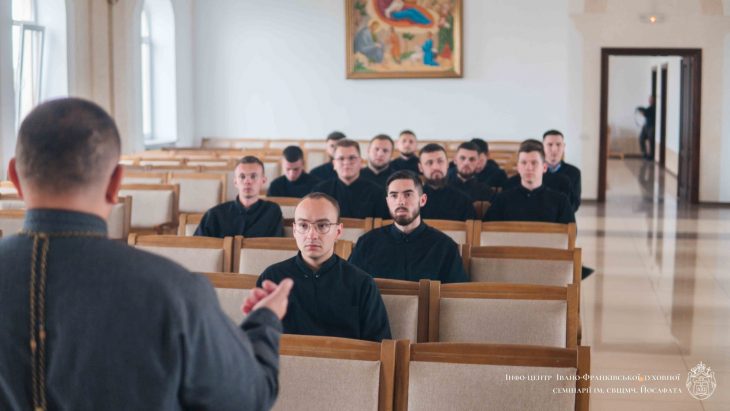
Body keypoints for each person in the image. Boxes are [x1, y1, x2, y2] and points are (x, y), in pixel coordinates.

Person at [0, 98, 293, 410]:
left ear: (14, 177)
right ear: (116, 183)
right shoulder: (175, 290)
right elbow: (247, 397)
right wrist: (264, 321)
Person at [258, 193, 391, 342]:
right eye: (303, 226)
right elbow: (256, 340)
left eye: (322, 226)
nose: (312, 235)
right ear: (294, 230)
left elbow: (378, 347)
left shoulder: (363, 284)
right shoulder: (272, 278)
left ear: (338, 231)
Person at [349, 171, 468, 283]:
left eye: (408, 194)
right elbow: (350, 286)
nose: (401, 202)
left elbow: (456, 294)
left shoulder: (445, 247)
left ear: (422, 200)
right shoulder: (367, 243)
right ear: (387, 202)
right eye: (394, 196)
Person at [484, 139, 575, 223]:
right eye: (524, 163)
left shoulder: (561, 201)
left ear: (544, 167)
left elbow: (569, 233)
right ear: (518, 167)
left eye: (534, 163)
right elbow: (487, 230)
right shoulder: (502, 199)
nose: (529, 168)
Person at [195, 156, 283, 238]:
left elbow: (276, 246)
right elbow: (197, 246)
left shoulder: (272, 211)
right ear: (235, 182)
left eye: (253, 176)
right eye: (242, 176)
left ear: (263, 181)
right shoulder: (215, 214)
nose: (247, 181)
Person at [311, 140, 388, 218]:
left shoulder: (377, 193)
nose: (346, 163)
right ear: (334, 164)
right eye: (341, 158)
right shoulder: (320, 192)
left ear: (361, 162)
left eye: (352, 158)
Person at [418, 143, 476, 221]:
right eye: (429, 163)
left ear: (447, 164)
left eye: (440, 161)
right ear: (420, 167)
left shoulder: (464, 201)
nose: (436, 167)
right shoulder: (412, 201)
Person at [543, 129, 582, 212]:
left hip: (564, 217)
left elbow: (575, 202)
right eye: (550, 144)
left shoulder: (574, 172)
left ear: (563, 146)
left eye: (558, 144)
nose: (554, 149)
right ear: (543, 147)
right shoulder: (535, 171)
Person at [637, 96, 656, 160]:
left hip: (651, 127)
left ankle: (651, 155)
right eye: (649, 99)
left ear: (654, 100)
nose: (650, 101)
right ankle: (644, 154)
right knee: (641, 138)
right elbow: (645, 112)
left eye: (651, 100)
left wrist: (642, 112)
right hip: (646, 126)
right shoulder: (649, 108)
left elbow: (645, 113)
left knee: (651, 140)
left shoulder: (654, 108)